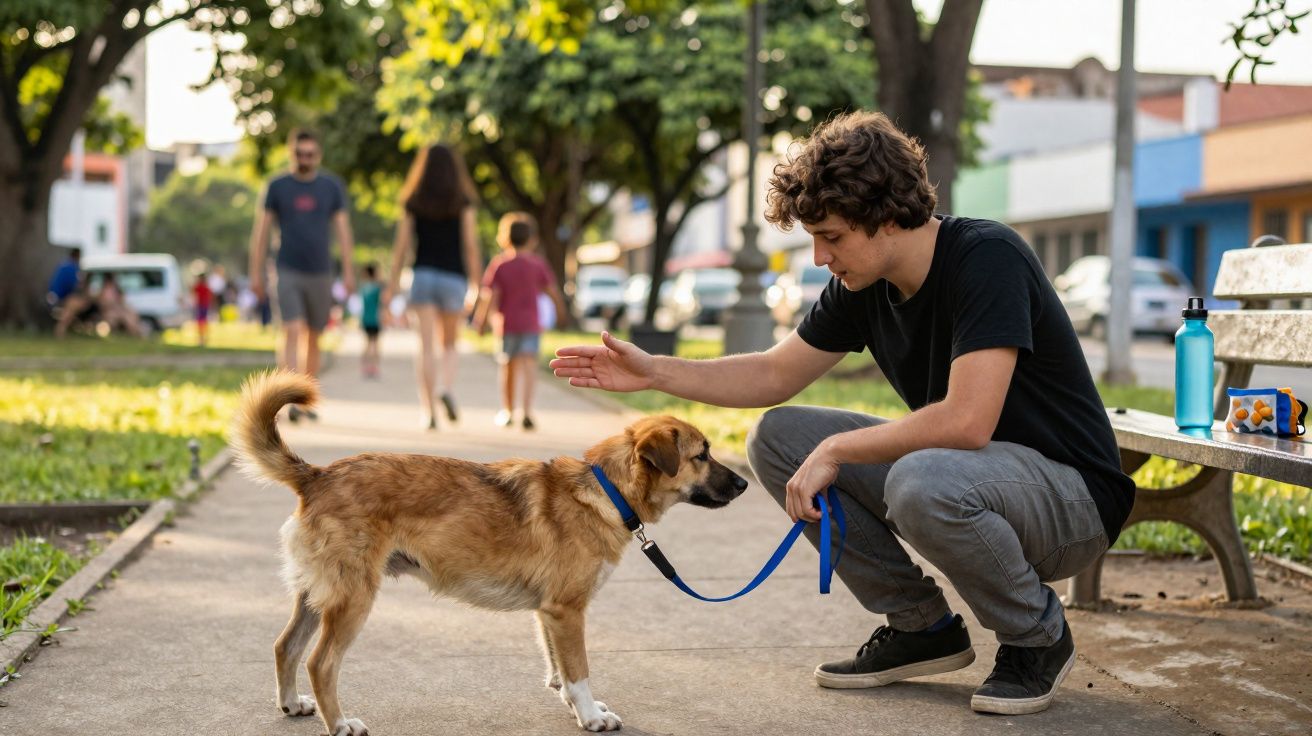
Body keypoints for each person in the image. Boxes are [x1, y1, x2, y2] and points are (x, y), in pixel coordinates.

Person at [550, 111, 1134, 716]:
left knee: (916, 478)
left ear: (885, 217)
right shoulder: (861, 284)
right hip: (976, 481)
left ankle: (1036, 637)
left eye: (831, 236)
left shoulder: (987, 257)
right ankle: (921, 628)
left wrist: (836, 451)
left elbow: (967, 421)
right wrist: (655, 372)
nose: (820, 255)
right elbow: (775, 374)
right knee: (779, 437)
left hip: (1072, 501)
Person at [248, 128, 355, 422]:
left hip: (321, 271)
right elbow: (262, 232)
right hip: (286, 268)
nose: (304, 159)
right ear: (290, 152)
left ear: (318, 155)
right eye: (299, 154)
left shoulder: (331, 187)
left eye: (310, 154)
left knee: (314, 335)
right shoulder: (277, 186)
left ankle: (307, 400)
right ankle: (289, 399)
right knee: (291, 329)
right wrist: (254, 274)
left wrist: (348, 271)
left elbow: (343, 231)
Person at [385, 144, 483, 430]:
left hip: (423, 276)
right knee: (450, 344)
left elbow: (401, 248)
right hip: (453, 278)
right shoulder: (463, 201)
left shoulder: (413, 200)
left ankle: (428, 411)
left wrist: (391, 285)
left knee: (425, 347)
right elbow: (470, 245)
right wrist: (476, 284)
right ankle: (447, 389)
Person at [474, 213, 565, 430]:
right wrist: (561, 312)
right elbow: (552, 291)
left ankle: (507, 411)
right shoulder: (537, 264)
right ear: (532, 239)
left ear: (504, 238)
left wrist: (481, 321)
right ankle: (527, 410)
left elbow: (490, 295)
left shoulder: (500, 264)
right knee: (529, 366)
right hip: (531, 324)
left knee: (508, 367)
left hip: (507, 325)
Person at [49, 248, 94, 338]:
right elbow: (75, 286)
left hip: (53, 297)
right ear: (77, 256)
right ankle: (60, 330)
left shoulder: (63, 266)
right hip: (59, 299)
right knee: (74, 304)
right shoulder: (71, 267)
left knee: (75, 302)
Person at [94, 273, 143, 337]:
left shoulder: (117, 290)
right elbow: (102, 303)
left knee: (130, 315)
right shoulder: (103, 290)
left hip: (118, 310)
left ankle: (137, 332)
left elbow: (122, 300)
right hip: (109, 312)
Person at [359, 263, 384, 379]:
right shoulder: (378, 288)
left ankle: (364, 367)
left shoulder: (363, 288)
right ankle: (373, 367)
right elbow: (382, 303)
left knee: (367, 343)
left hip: (365, 319)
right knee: (375, 344)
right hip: (375, 320)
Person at [193, 265, 213, 346]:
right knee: (202, 322)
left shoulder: (202, 286)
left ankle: (202, 338)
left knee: (201, 322)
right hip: (202, 305)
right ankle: (202, 338)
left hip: (202, 305)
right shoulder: (204, 286)